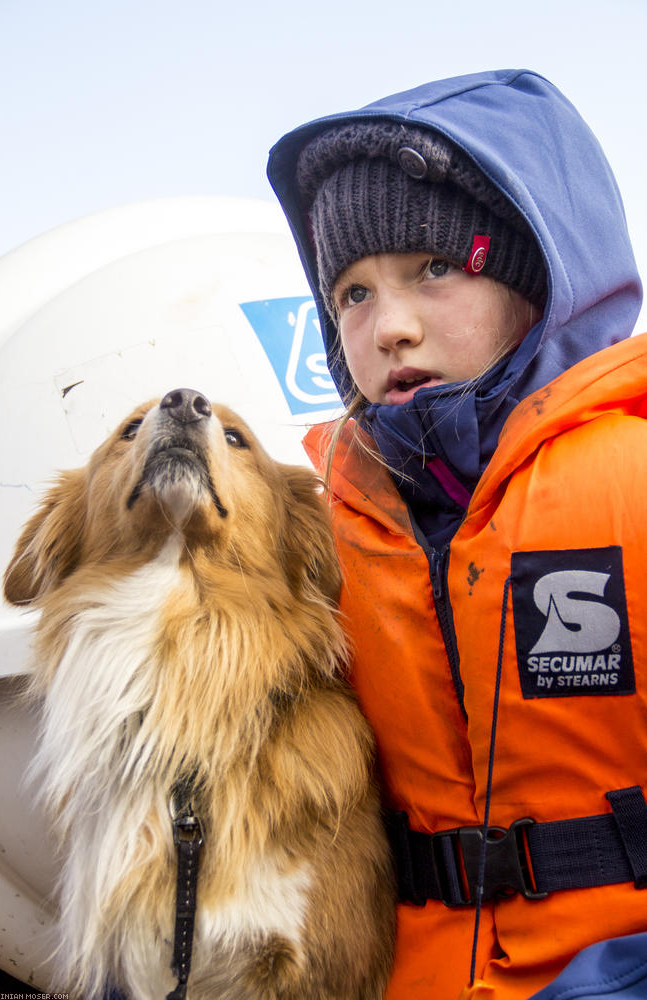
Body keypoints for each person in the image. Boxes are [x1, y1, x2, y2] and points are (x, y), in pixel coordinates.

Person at [267, 69, 647, 999]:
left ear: (540, 280)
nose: (389, 327)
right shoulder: (322, 536)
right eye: (351, 294)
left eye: (434, 269)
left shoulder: (634, 480)